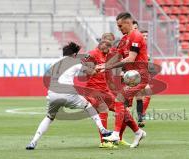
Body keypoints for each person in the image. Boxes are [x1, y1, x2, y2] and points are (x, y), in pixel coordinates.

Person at [25, 42, 112, 150]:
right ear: (74, 55)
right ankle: (103, 130)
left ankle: (33, 142)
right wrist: (99, 68)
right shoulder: (74, 62)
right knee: (88, 106)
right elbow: (91, 72)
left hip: (52, 94)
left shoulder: (55, 62)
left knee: (49, 117)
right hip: (67, 94)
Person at [97, 12, 148, 148]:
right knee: (123, 108)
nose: (119, 28)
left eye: (120, 26)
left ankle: (116, 134)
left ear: (128, 23)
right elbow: (118, 55)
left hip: (139, 76)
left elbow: (130, 58)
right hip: (129, 77)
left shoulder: (136, 36)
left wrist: (108, 66)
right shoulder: (125, 38)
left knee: (119, 101)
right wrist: (104, 65)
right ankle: (138, 132)